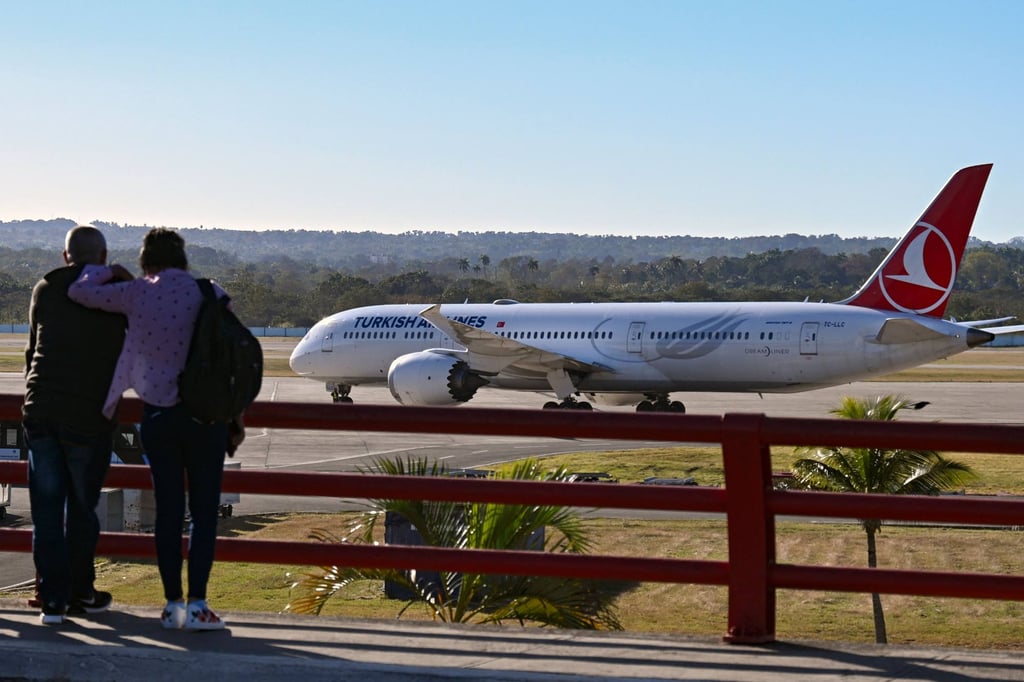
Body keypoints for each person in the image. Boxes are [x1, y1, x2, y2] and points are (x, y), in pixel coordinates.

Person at [68, 227, 243, 631]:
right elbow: (231, 342)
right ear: (182, 257)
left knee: (167, 514)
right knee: (203, 514)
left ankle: (171, 606)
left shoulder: (137, 292)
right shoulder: (208, 291)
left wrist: (107, 268)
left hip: (159, 418)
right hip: (206, 417)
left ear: (146, 259)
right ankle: (199, 605)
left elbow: (80, 291)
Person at [23, 224, 128, 625]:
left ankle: (52, 601)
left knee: (46, 513)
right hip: (89, 414)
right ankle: (82, 592)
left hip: (41, 409)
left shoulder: (46, 288)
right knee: (83, 510)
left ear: (66, 256)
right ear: (102, 257)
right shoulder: (115, 292)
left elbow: (33, 351)